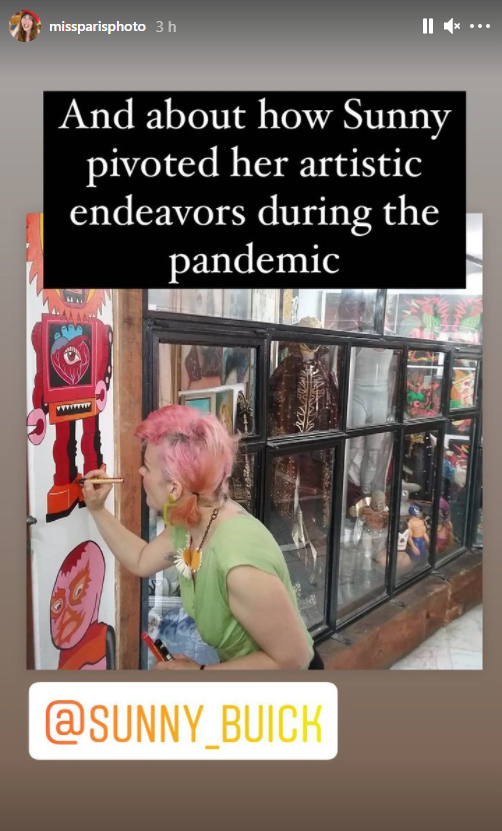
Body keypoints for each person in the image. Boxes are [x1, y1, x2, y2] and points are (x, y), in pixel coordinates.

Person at [83, 404, 322, 670]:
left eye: (146, 467)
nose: (140, 472)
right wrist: (97, 509)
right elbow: (141, 560)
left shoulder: (237, 562)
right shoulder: (191, 520)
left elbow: (294, 659)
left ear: (174, 488)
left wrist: (199, 674)